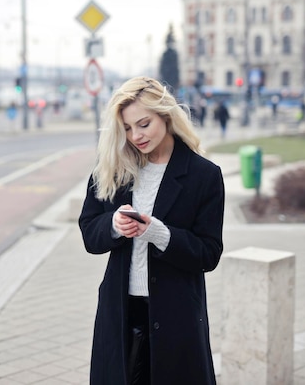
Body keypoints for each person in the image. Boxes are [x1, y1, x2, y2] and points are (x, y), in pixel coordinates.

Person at [78, 76, 225, 385]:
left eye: (144, 124)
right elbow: (89, 232)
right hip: (119, 311)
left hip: (177, 314)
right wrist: (114, 225)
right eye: (128, 128)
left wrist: (160, 233)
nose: (136, 136)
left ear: (166, 115)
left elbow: (209, 254)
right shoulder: (113, 167)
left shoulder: (204, 176)